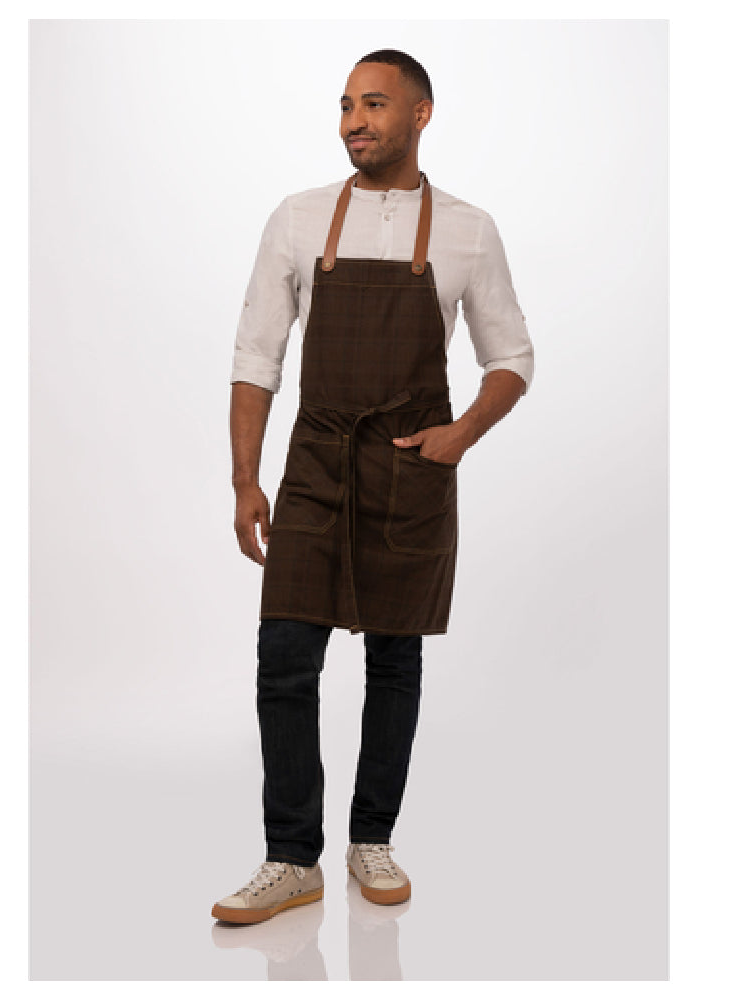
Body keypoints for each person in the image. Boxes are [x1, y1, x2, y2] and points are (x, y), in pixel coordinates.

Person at [213, 49, 534, 924]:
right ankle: (291, 859)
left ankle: (371, 840)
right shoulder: (298, 218)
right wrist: (245, 478)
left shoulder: (468, 230)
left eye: (375, 105)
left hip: (408, 466)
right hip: (318, 461)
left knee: (395, 660)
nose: (354, 121)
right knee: (285, 656)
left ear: (421, 114)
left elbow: (511, 357)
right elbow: (256, 354)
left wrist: (460, 435)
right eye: (347, 105)